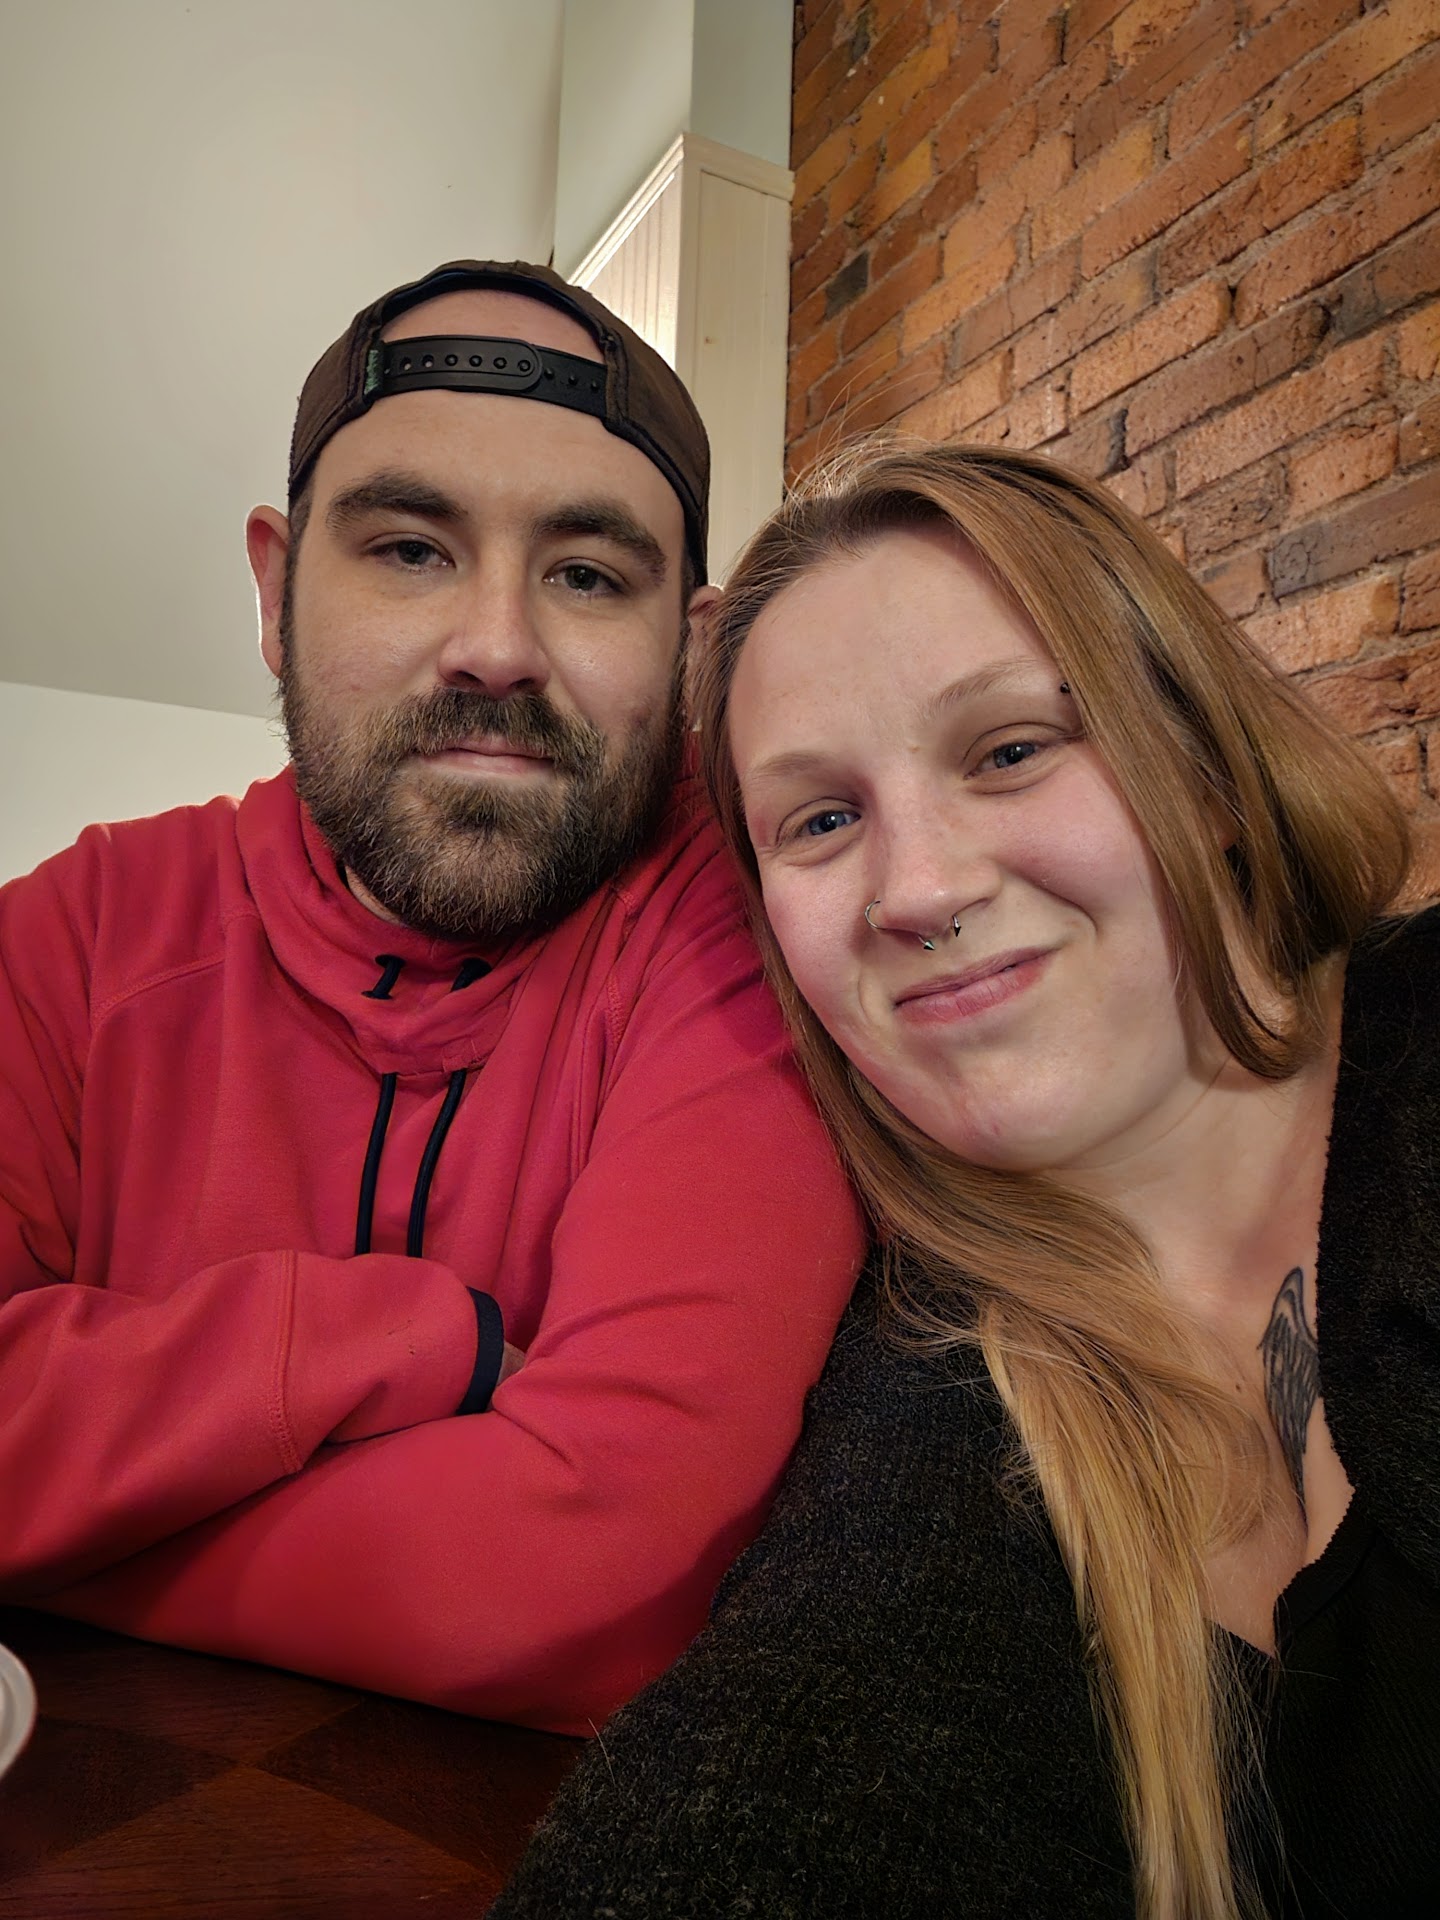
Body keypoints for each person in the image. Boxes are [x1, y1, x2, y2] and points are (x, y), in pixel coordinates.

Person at [492, 440, 1440, 1914]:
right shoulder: (917, 1378)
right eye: (821, 820)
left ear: (1208, 765)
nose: (920, 889)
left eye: (1008, 751)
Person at [0, 260, 863, 1733]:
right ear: (276, 595)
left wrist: (54, 1527)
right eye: (409, 550)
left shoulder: (755, 928)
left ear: (695, 651)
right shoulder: (79, 935)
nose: (497, 647)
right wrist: (377, 1342)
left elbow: (597, 1573)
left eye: (588, 576)